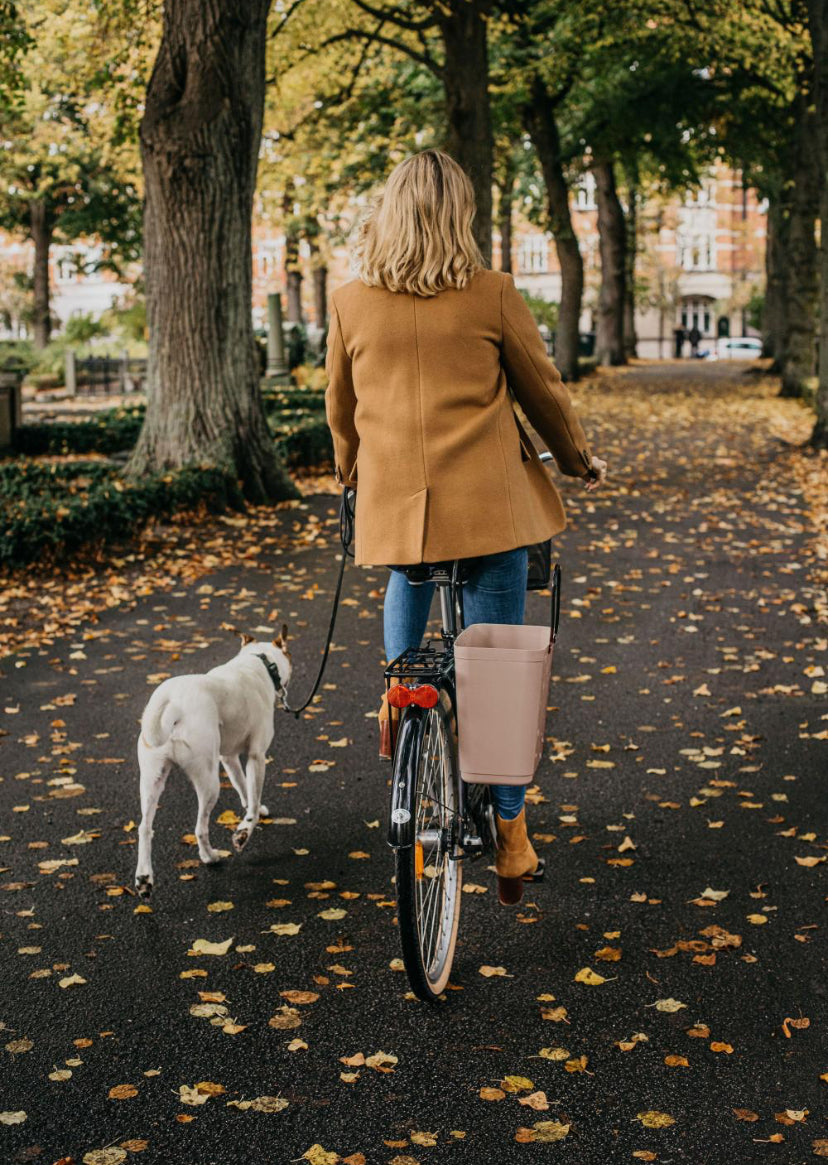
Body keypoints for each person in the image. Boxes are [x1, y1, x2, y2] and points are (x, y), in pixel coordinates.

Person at [324, 150, 607, 905]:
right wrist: (579, 460)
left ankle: (399, 697)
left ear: (388, 213)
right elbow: (542, 390)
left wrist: (353, 478)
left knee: (405, 573)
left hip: (399, 513)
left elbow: (341, 414)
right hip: (488, 510)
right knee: (503, 673)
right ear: (460, 215)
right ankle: (511, 833)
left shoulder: (351, 302)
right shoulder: (492, 295)